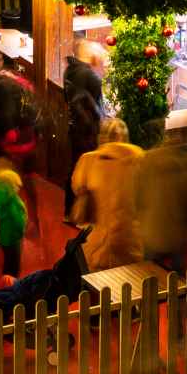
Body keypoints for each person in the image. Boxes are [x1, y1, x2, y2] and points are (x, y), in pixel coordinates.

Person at [69, 118, 145, 270]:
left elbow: (76, 187)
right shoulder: (139, 159)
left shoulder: (87, 161)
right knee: (129, 286)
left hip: (97, 241)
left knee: (99, 287)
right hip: (130, 239)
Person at [135, 124, 187, 271]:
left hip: (152, 229)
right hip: (178, 231)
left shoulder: (148, 160)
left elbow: (138, 196)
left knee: (151, 274)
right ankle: (178, 294)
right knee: (178, 277)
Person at [63, 41, 105, 217]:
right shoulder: (88, 75)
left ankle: (70, 210)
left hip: (75, 128)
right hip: (87, 130)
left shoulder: (70, 70)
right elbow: (94, 102)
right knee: (87, 171)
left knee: (75, 168)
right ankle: (83, 213)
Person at [0, 161, 28, 278]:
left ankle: (6, 280)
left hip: (5, 237)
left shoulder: (1, 199)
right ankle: (13, 284)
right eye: (16, 185)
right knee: (14, 264)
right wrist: (22, 229)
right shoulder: (12, 203)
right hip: (14, 236)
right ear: (11, 186)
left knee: (7, 262)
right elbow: (18, 221)